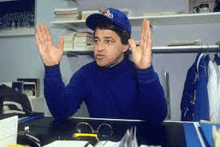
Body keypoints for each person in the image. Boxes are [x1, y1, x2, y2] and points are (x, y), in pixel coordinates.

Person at [35, 7, 167, 124]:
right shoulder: (85, 74)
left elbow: (156, 118)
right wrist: (51, 68)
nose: (99, 48)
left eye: (108, 41)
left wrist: (145, 71)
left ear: (125, 46)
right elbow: (60, 111)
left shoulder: (141, 74)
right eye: (97, 40)